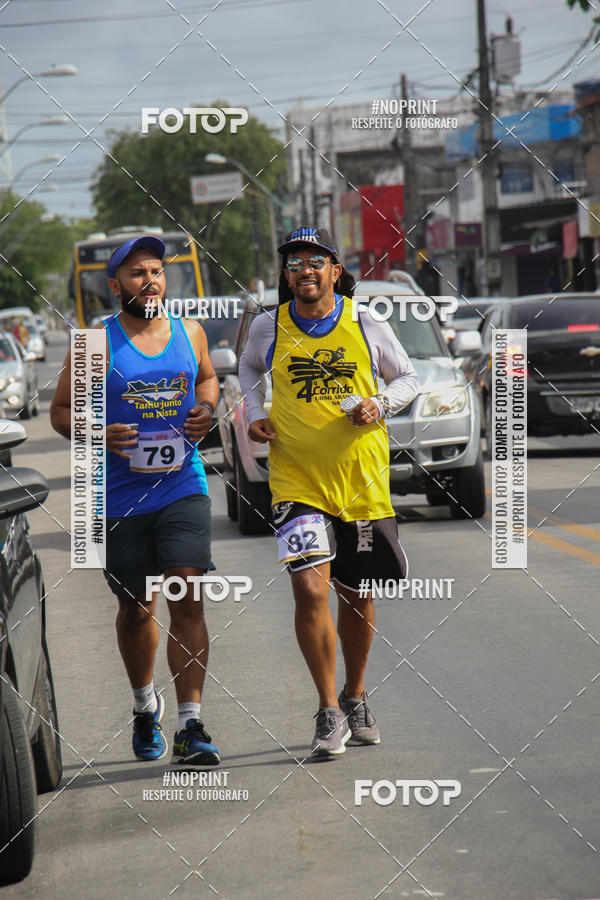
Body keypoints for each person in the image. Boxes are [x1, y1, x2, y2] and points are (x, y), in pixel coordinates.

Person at [239, 225, 419, 757]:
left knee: (357, 593)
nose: (305, 271)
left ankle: (356, 694)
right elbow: (250, 371)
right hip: (296, 478)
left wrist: (380, 404)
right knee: (309, 588)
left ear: (336, 272)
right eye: (294, 263)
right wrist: (254, 412)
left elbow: (407, 379)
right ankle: (327, 710)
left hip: (361, 477)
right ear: (286, 275)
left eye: (316, 262)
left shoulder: (366, 321)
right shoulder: (267, 327)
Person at [50, 235, 221, 767]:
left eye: (156, 271)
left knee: (186, 593)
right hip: (119, 497)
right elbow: (59, 413)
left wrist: (207, 408)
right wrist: (99, 432)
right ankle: (145, 705)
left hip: (182, 484)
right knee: (135, 608)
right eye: (137, 272)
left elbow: (209, 379)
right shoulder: (94, 345)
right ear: (115, 285)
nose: (150, 280)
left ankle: (191, 724)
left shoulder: (188, 332)